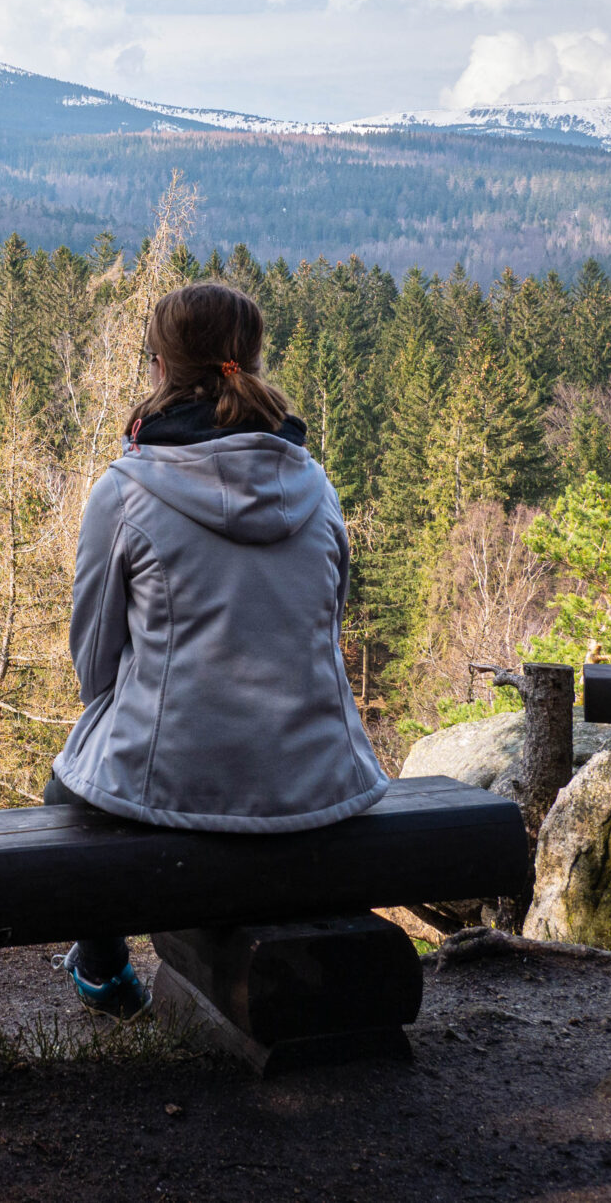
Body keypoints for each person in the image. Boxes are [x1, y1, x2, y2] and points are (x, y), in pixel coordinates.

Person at [49, 281, 388, 1016]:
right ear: (251, 360)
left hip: (175, 779)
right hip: (320, 779)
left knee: (66, 799)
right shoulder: (315, 484)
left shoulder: (127, 489)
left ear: (159, 366)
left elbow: (94, 658)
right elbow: (324, 625)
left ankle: (104, 973)